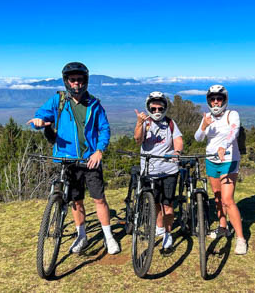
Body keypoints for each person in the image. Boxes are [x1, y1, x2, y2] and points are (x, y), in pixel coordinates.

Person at [27, 62, 120, 255]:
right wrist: (38, 122)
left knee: (99, 200)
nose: (76, 83)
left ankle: (108, 237)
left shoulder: (94, 104)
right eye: (73, 80)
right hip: (67, 160)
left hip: (90, 159)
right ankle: (81, 236)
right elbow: (40, 116)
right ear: (67, 81)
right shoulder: (58, 100)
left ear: (85, 81)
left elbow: (104, 129)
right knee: (76, 201)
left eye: (79, 79)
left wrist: (99, 151)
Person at [194, 85, 247, 255]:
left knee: (227, 199)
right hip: (211, 160)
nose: (216, 102)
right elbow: (198, 138)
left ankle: (241, 238)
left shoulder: (232, 115)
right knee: (217, 196)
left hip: (229, 160)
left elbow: (234, 132)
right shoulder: (207, 117)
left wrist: (224, 146)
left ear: (225, 100)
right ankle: (222, 226)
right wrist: (204, 126)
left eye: (219, 98)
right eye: (212, 99)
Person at [134, 91, 183, 250]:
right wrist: (139, 123)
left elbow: (178, 140)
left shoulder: (170, 123)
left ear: (164, 108)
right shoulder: (145, 122)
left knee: (167, 205)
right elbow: (138, 140)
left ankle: (167, 234)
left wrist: (177, 152)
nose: (156, 111)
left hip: (169, 170)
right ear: (148, 107)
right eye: (153, 108)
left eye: (160, 109)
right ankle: (159, 228)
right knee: (155, 203)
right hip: (149, 171)